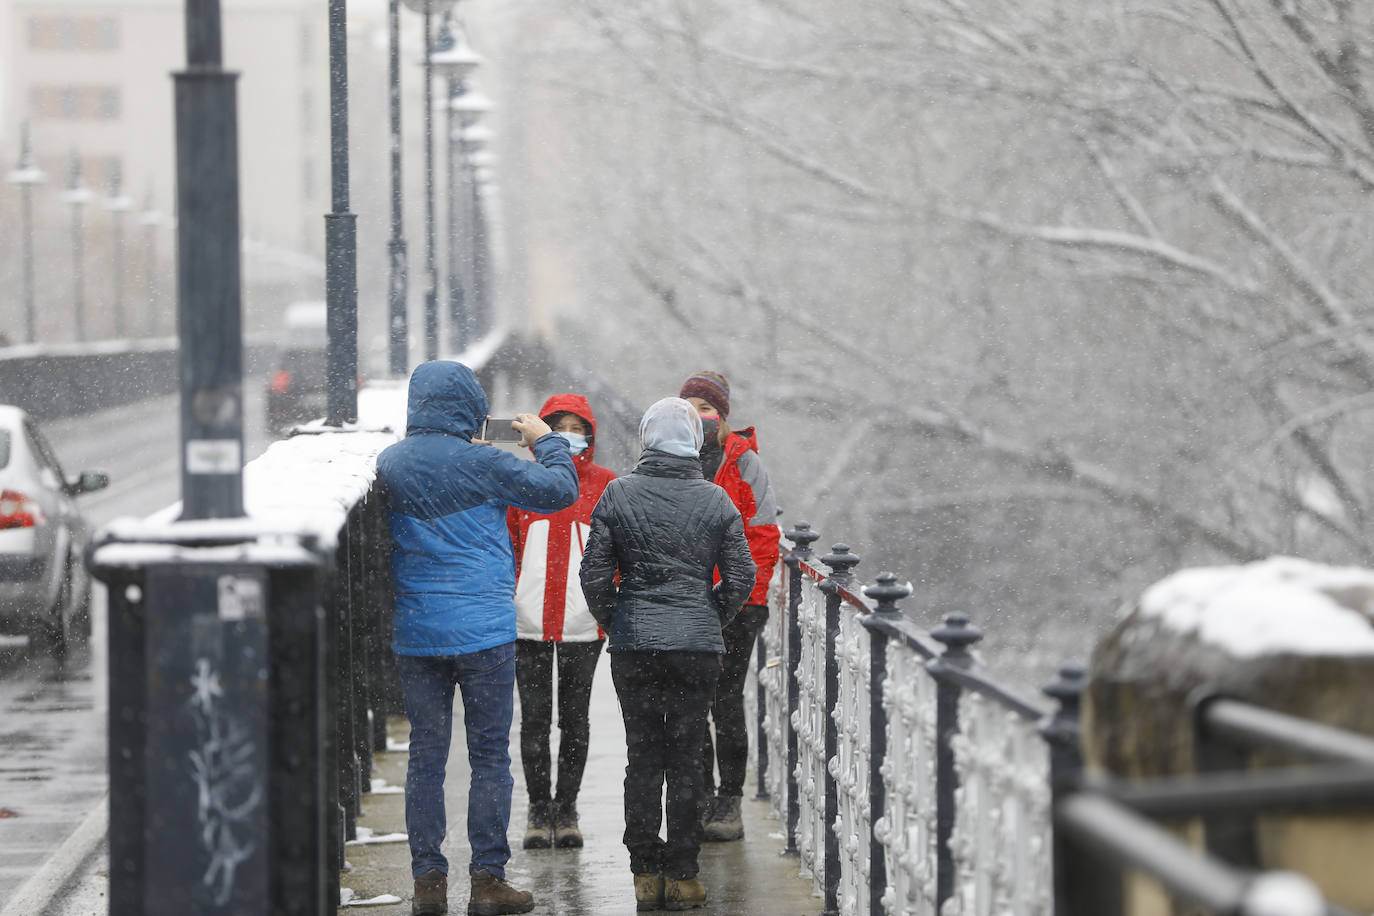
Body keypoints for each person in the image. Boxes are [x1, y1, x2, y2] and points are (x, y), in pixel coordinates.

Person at [375, 361, 579, 916]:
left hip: (418, 631)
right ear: (469, 407)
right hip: (485, 632)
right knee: (489, 754)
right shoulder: (486, 462)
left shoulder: (389, 463)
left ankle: (428, 882)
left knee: (426, 756)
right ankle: (488, 879)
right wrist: (548, 440)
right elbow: (560, 492)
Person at [580, 397, 756, 912]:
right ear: (696, 443)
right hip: (696, 648)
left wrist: (622, 619)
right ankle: (684, 873)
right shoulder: (717, 500)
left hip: (636, 645)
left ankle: (644, 872)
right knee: (686, 759)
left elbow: (593, 576)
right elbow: (741, 577)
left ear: (646, 438)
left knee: (642, 756)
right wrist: (708, 618)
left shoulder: (617, 494)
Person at [507, 394, 617, 850]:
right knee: (534, 720)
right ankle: (538, 809)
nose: (570, 435)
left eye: (578, 427)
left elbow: (616, 550)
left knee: (574, 719)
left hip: (582, 622)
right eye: (559, 427)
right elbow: (510, 546)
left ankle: (566, 807)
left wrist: (608, 606)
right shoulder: (522, 482)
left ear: (590, 434)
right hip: (527, 620)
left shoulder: (607, 484)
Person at [678, 370, 781, 843]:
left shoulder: (744, 461)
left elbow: (763, 535)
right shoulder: (669, 458)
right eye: (691, 408)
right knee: (691, 703)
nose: (700, 417)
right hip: (686, 602)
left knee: (726, 701)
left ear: (723, 415)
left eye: (707, 408)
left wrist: (748, 597)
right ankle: (698, 796)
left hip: (736, 604)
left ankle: (729, 799)